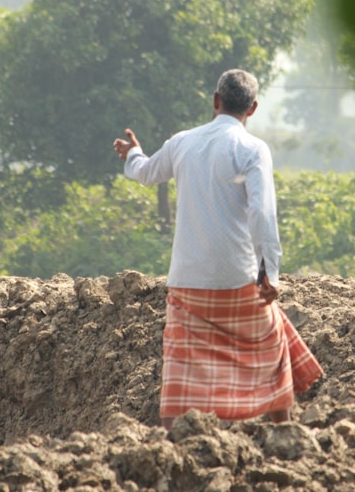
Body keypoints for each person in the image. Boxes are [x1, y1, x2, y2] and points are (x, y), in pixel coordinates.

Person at [113, 69, 323, 430]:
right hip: (237, 281)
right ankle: (281, 431)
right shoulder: (253, 149)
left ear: (215, 101)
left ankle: (167, 443)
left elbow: (146, 173)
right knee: (272, 344)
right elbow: (262, 212)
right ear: (253, 108)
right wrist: (269, 272)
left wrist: (134, 154)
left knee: (179, 361)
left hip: (187, 284)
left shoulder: (182, 142)